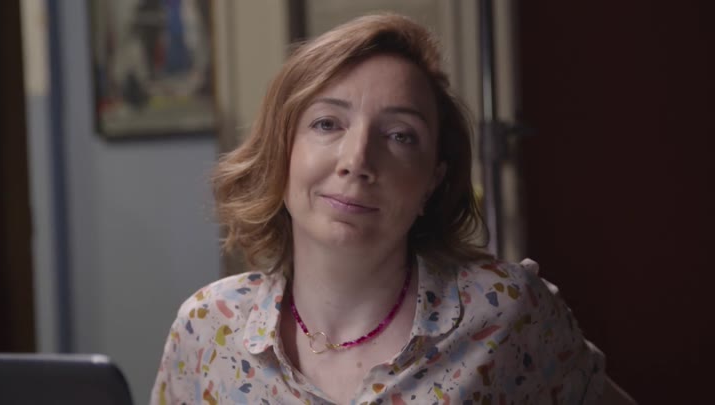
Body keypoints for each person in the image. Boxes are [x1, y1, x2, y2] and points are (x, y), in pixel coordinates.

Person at [150, 14, 635, 404]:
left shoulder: (506, 314)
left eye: (401, 135)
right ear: (283, 151)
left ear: (432, 181)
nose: (357, 160)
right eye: (327, 124)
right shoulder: (207, 326)